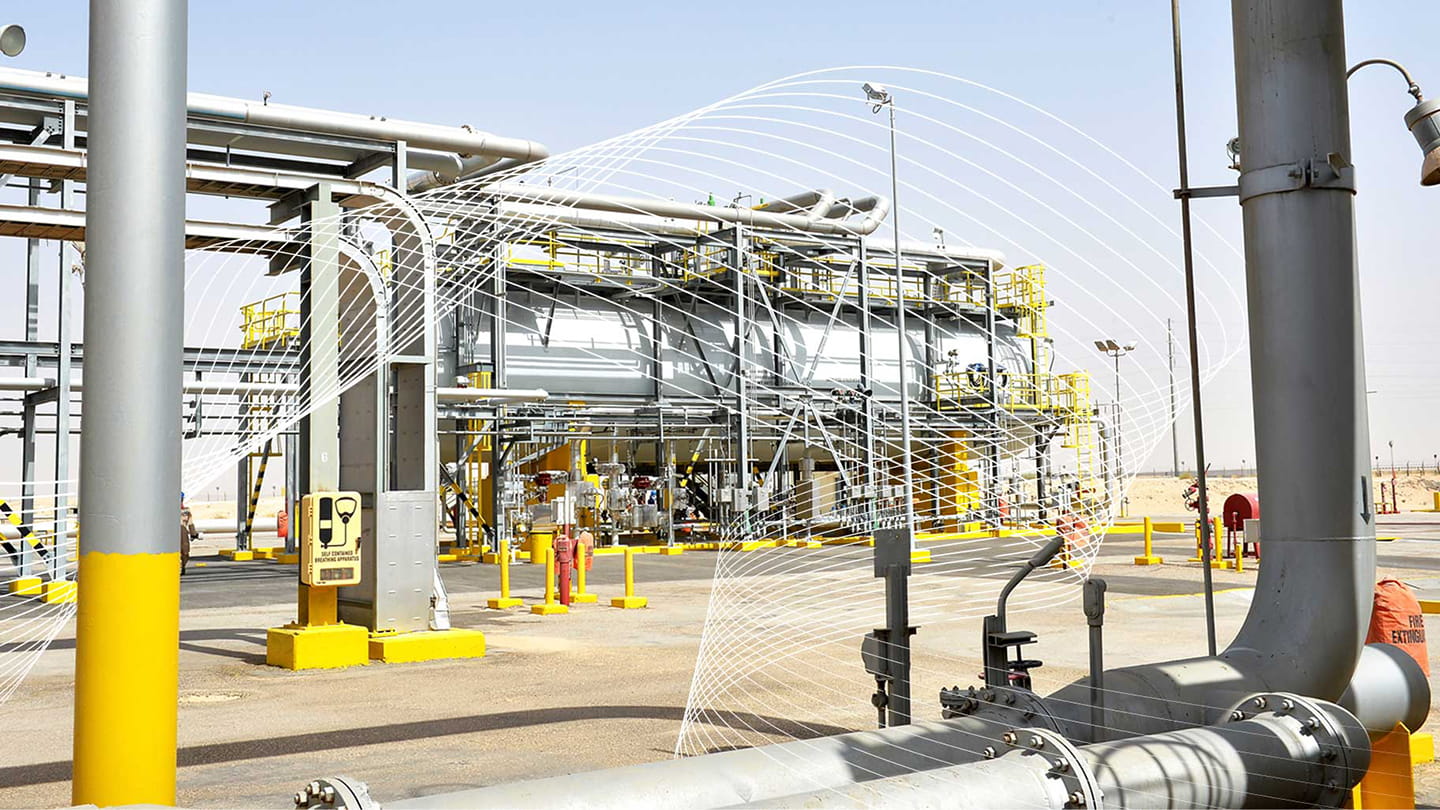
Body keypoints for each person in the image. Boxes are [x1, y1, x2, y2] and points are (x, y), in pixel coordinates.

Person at [179, 492, 198, 575]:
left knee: (185, 552)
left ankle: (183, 566)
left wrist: (193, 533)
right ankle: (178, 567)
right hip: (172, 535)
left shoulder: (186, 511)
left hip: (183, 534)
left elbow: (190, 523)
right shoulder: (169, 510)